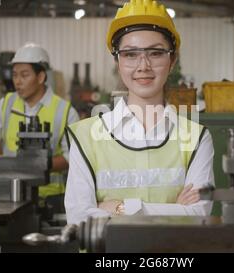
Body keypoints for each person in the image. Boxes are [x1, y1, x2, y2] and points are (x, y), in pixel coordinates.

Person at [65, 0, 214, 225]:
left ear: (171, 60)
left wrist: (120, 207)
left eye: (155, 53)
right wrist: (175, 209)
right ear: (117, 61)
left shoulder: (197, 138)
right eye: (130, 54)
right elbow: (79, 219)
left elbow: (198, 214)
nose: (143, 65)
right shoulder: (86, 137)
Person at [0, 43, 79, 211]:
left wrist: (40, 165)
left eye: (24, 75)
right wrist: (1, 163)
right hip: (8, 193)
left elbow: (72, 156)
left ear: (41, 77)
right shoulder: (7, 103)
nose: (17, 82)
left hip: (49, 198)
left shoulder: (64, 111)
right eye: (14, 75)